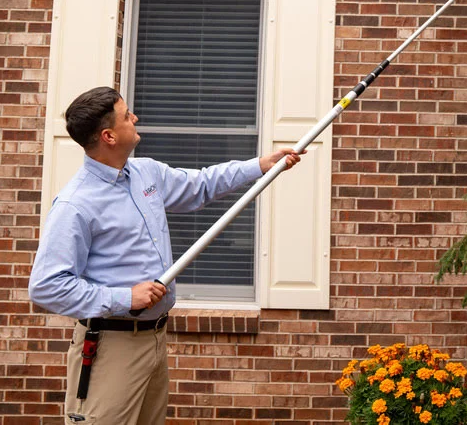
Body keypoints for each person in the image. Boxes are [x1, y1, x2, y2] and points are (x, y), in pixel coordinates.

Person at [28, 86, 303, 424]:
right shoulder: (76, 204)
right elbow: (46, 286)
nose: (135, 117)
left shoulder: (146, 173)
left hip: (155, 339)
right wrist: (124, 296)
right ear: (109, 136)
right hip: (110, 347)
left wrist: (260, 165)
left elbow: (201, 185)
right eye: (127, 115)